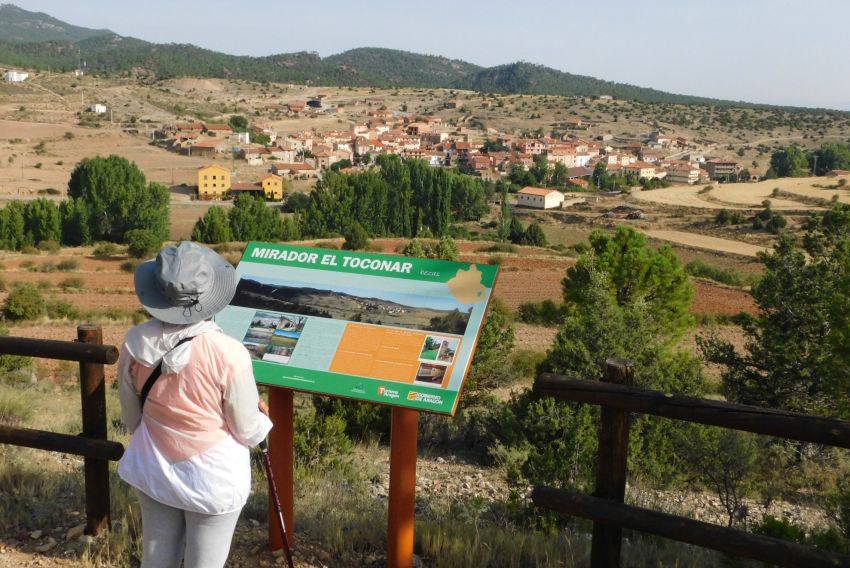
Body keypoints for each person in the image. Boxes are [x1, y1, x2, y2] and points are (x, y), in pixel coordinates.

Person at [117, 241, 272, 568]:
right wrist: (263, 423)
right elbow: (245, 429)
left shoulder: (134, 342)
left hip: (154, 466)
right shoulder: (228, 352)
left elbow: (133, 419)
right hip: (212, 476)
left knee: (157, 560)